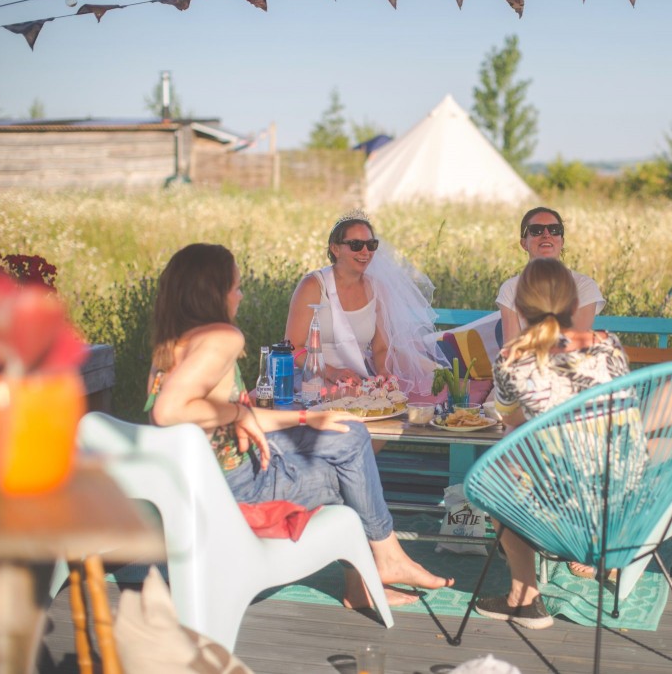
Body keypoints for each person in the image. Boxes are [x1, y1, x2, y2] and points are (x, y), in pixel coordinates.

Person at [147, 243, 452, 609]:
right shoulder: (221, 338)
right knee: (347, 470)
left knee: (349, 432)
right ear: (211, 291)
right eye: (236, 286)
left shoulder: (172, 345)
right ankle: (385, 560)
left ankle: (377, 569)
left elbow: (210, 410)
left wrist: (309, 417)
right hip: (237, 490)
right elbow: (168, 410)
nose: (240, 295)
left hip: (202, 483)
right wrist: (238, 414)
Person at [475, 258, 630, 630]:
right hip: (617, 506)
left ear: (523, 306)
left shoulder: (515, 358)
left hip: (557, 507)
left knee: (495, 478)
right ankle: (605, 557)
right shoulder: (608, 347)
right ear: (573, 303)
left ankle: (524, 596)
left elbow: (508, 418)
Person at [285, 210, 445, 395]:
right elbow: (292, 347)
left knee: (389, 395)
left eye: (371, 245)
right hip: (311, 376)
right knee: (350, 396)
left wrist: (384, 372)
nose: (365, 252)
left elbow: (380, 348)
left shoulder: (377, 289)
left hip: (357, 377)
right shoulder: (312, 286)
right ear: (335, 249)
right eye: (356, 245)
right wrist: (332, 372)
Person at [496, 207, 605, 343]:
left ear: (562, 241)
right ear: (524, 243)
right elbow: (511, 347)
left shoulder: (584, 286)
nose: (546, 234)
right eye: (536, 230)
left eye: (554, 230)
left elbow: (575, 344)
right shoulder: (510, 288)